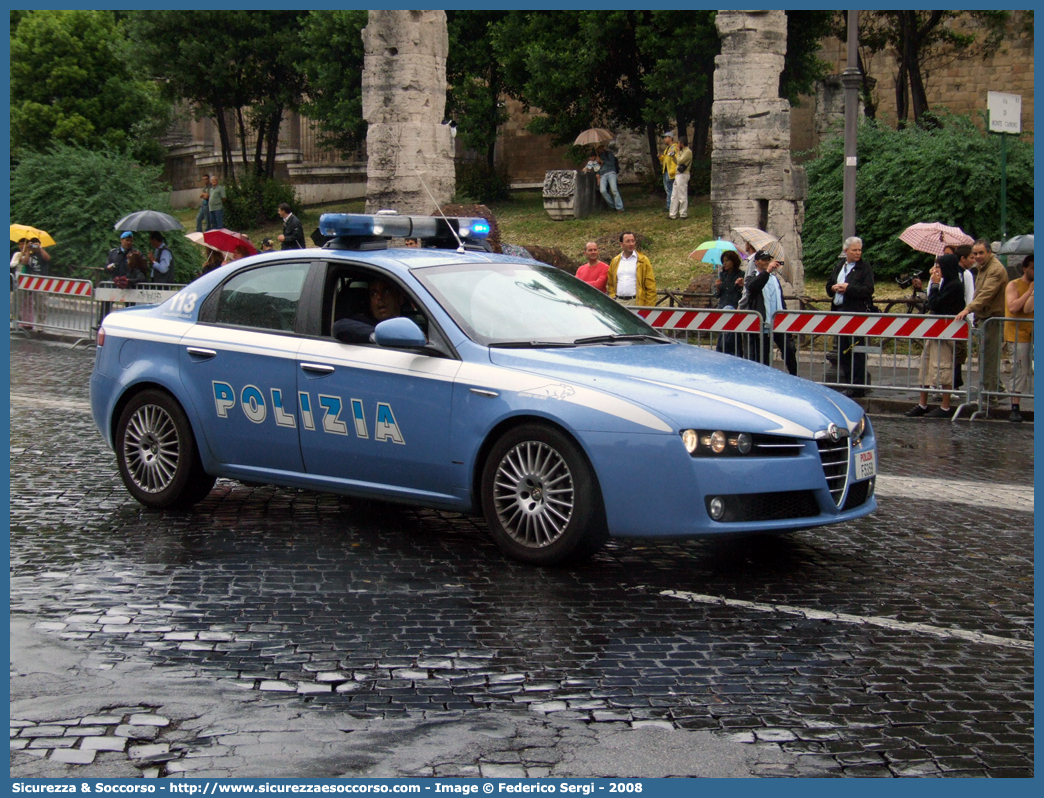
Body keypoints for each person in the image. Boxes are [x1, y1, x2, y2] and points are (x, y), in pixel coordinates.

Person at [906, 255, 967, 418]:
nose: (936, 270)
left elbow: (935, 303)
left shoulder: (954, 285)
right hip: (934, 331)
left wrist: (933, 285)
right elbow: (930, 303)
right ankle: (922, 403)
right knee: (925, 366)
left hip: (946, 333)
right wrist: (930, 286)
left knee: (944, 368)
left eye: (939, 267)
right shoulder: (944, 283)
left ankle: (945, 406)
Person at [955, 239, 1008, 395]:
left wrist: (968, 309)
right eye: (975, 253)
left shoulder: (995, 270)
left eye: (981, 253)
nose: (977, 256)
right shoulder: (983, 267)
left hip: (992, 318)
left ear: (989, 252)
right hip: (985, 317)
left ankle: (991, 398)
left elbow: (986, 294)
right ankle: (997, 389)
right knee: (986, 358)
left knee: (988, 360)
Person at [826, 236, 875, 397]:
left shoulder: (864, 267)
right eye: (854, 250)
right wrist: (833, 288)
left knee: (856, 350)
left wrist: (849, 288)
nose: (858, 253)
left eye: (859, 250)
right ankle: (849, 384)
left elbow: (868, 290)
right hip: (839, 312)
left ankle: (858, 386)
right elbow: (828, 285)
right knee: (843, 351)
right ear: (846, 251)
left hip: (855, 314)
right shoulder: (840, 266)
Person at [744, 250, 797, 375]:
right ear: (756, 262)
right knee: (763, 354)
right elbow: (753, 288)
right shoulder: (752, 277)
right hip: (763, 323)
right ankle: (764, 378)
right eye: (764, 260)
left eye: (769, 259)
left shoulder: (774, 279)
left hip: (778, 322)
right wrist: (767, 271)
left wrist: (785, 317)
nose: (767, 262)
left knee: (789, 350)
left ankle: (794, 375)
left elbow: (780, 299)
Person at [1003, 253, 1033, 422]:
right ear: (1025, 269)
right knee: (1020, 370)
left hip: (1032, 333)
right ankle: (1015, 406)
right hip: (1017, 334)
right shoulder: (1014, 285)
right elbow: (1013, 307)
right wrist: (1029, 291)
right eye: (1033, 268)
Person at [333, 277, 406, 344]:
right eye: (374, 294)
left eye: (386, 291)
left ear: (400, 298)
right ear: (370, 303)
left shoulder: (412, 322)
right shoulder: (364, 322)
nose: (379, 297)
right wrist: (377, 336)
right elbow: (340, 326)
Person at [607, 232, 656, 307]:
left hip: (636, 302)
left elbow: (651, 286)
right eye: (628, 241)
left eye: (633, 241)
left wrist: (648, 306)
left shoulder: (643, 260)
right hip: (618, 302)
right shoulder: (615, 261)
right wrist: (613, 296)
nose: (631, 244)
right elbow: (610, 283)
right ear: (621, 244)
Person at [714, 249, 745, 356]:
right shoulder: (722, 275)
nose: (725, 263)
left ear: (733, 261)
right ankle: (721, 354)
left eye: (727, 260)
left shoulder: (741, 274)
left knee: (733, 335)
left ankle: (735, 355)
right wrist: (717, 287)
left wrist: (741, 285)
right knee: (723, 334)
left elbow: (743, 293)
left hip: (734, 307)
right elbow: (717, 294)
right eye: (723, 261)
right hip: (723, 306)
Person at [668, 136, 692, 220]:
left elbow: (680, 161)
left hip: (683, 174)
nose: (677, 145)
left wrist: (677, 153)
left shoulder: (688, 152)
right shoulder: (681, 152)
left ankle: (683, 214)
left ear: (682, 143)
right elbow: (676, 162)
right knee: (674, 195)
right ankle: (672, 214)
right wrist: (673, 156)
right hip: (678, 174)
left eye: (679, 143)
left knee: (682, 194)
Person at [594, 145, 624, 212]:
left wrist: (602, 161)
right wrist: (598, 165)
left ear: (603, 147)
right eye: (598, 148)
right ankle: (613, 206)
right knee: (603, 191)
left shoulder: (609, 154)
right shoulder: (597, 157)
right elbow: (597, 168)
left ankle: (620, 208)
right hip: (602, 175)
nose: (600, 149)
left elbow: (611, 163)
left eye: (601, 147)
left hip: (611, 172)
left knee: (614, 190)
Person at [659, 132, 677, 213]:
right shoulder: (667, 148)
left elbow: (675, 159)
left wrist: (674, 170)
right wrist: (661, 158)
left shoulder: (674, 147)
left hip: (671, 171)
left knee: (671, 189)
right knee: (668, 189)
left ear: (670, 138)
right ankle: (669, 205)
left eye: (666, 137)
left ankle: (671, 206)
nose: (664, 139)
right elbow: (666, 160)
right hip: (666, 171)